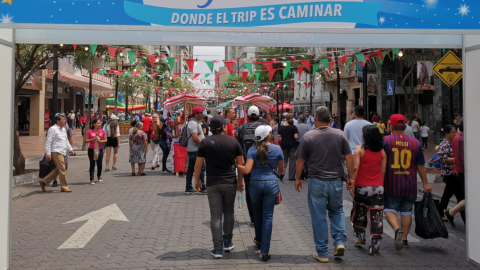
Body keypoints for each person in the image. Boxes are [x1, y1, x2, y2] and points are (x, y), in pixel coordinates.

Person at [295, 106, 355, 263]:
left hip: (317, 182)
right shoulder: (340, 134)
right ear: (330, 119)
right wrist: (351, 178)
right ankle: (340, 241)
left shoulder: (309, 136)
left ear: (315, 118)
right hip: (336, 181)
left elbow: (300, 160)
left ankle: (322, 252)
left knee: (319, 217)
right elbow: (349, 158)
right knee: (337, 211)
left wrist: (298, 178)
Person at [194, 116, 245, 259]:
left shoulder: (205, 142)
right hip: (230, 182)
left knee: (215, 215)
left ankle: (217, 249)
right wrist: (240, 181)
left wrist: (197, 180)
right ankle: (228, 242)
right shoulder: (233, 141)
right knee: (229, 212)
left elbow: (198, 165)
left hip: (212, 183)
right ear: (224, 127)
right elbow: (241, 164)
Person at [383, 114, 431, 251]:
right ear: (405, 126)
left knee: (389, 208)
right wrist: (426, 183)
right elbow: (421, 165)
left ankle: (397, 229)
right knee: (406, 211)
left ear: (391, 126)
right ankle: (404, 239)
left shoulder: (385, 141)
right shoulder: (415, 142)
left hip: (392, 183)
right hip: (410, 184)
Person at [237, 125, 284, 261]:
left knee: (257, 215)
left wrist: (236, 164)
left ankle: (258, 239)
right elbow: (281, 169)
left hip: (255, 184)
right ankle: (265, 250)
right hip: (271, 184)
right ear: (269, 135)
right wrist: (276, 176)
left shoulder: (252, 150)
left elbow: (247, 170)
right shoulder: (277, 149)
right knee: (268, 217)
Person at [349, 125, 386, 256]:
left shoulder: (359, 149)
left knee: (359, 211)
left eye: (363, 134)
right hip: (378, 188)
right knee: (377, 216)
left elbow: (355, 167)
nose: (361, 136)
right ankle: (375, 246)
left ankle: (360, 237)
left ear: (367, 136)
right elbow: (383, 171)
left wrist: (351, 183)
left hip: (362, 187)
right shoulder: (382, 151)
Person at [237, 105, 267, 225]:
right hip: (262, 163)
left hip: (246, 164)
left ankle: (253, 218)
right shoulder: (264, 127)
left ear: (248, 116)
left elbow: (238, 149)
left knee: (250, 190)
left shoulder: (241, 128)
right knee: (263, 189)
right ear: (259, 115)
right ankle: (262, 215)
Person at [38, 113, 74, 193]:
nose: (65, 120)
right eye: (63, 119)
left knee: (61, 168)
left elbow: (66, 140)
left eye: (65, 119)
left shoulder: (64, 129)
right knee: (62, 168)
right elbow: (48, 142)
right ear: (58, 121)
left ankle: (44, 181)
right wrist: (48, 154)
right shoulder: (53, 129)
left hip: (63, 151)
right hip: (56, 151)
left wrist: (70, 149)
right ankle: (64, 187)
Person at [445, 119, 466, 226]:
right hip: (462, 172)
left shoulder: (460, 138)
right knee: (468, 198)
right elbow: (461, 159)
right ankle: (450, 212)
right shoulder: (460, 139)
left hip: (461, 171)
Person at [436, 125, 457, 221]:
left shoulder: (453, 143)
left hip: (454, 173)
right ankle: (445, 212)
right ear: (446, 134)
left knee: (448, 194)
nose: (455, 134)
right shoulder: (444, 144)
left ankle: (441, 212)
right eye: (453, 132)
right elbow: (445, 160)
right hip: (448, 174)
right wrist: (459, 160)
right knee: (458, 195)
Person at [185, 106, 207, 194]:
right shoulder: (193, 123)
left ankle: (189, 187)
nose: (203, 114)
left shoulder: (196, 122)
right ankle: (202, 187)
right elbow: (195, 137)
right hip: (195, 149)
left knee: (191, 168)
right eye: (201, 113)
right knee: (201, 167)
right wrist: (202, 146)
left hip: (194, 149)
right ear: (196, 114)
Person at [85, 118, 107, 185]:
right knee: (92, 164)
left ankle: (99, 175)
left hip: (100, 149)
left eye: (100, 123)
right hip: (92, 150)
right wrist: (92, 139)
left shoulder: (102, 131)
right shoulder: (90, 131)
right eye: (98, 123)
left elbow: (106, 140)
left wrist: (100, 141)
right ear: (94, 124)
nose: (99, 124)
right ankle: (92, 178)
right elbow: (86, 140)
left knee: (99, 163)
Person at [278, 113, 299, 181]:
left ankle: (282, 173)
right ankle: (291, 176)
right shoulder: (294, 127)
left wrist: (283, 140)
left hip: (284, 145)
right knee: (292, 161)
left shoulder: (282, 127)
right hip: (292, 145)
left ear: (285, 118)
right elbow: (296, 137)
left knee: (284, 160)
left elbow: (279, 136)